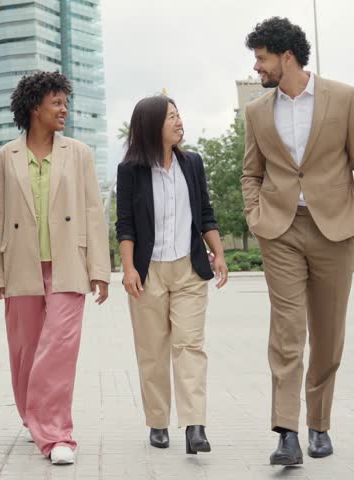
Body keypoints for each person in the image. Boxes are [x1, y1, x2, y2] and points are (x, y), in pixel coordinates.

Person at [242, 17, 354, 465]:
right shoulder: (258, 111)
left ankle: (319, 424)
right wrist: (256, 217)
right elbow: (251, 172)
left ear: (287, 56)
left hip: (334, 231)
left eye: (262, 58)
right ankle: (286, 433)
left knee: (327, 334)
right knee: (286, 332)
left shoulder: (344, 98)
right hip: (279, 230)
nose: (257, 67)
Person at [0, 71, 110, 465]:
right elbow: (1, 218)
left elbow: (94, 213)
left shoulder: (79, 153)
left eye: (65, 101)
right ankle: (33, 415)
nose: (64, 109)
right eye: (57, 102)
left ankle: (57, 433)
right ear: (34, 107)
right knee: (24, 351)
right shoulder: (5, 157)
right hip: (22, 263)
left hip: (68, 264)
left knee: (59, 347)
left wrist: (99, 269)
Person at [116, 95, 228, 455]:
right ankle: (158, 422)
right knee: (152, 351)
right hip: (148, 273)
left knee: (189, 346)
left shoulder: (192, 164)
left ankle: (195, 426)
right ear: (151, 126)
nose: (180, 123)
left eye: (179, 116)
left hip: (188, 270)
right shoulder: (130, 169)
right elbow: (126, 225)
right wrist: (129, 268)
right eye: (171, 118)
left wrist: (219, 253)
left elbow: (205, 212)